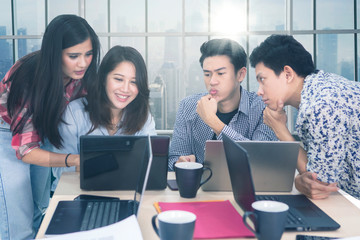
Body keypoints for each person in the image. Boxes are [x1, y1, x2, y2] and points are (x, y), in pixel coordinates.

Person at [0, 14, 100, 240]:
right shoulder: (29, 78)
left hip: (40, 130)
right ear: (56, 54)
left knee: (39, 210)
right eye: (73, 56)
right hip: (7, 134)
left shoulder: (82, 76)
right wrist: (73, 159)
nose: (83, 63)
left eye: (88, 54)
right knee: (18, 225)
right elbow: (25, 151)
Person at [249, 34, 360, 200]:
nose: (259, 90)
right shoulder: (322, 85)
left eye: (262, 79)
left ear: (288, 74)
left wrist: (280, 129)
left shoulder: (321, 107)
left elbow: (321, 185)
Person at [51, 45, 156, 189]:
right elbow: (60, 169)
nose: (125, 89)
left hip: (125, 192)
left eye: (134, 82)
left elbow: (151, 165)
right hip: (76, 193)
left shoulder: (143, 117)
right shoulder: (74, 112)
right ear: (103, 78)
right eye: (118, 79)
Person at [168, 38, 277, 170]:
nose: (212, 81)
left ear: (241, 74)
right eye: (207, 74)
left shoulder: (262, 107)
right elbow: (174, 158)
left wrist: (213, 122)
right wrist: (180, 162)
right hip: (200, 189)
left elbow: (262, 161)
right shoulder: (188, 106)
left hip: (248, 189)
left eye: (220, 73)